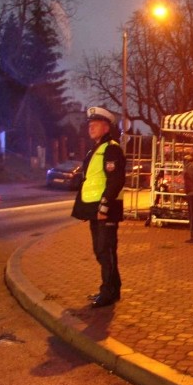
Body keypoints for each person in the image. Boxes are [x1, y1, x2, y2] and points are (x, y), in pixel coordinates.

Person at [71, 107, 126, 308]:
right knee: (102, 250)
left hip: (106, 210)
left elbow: (115, 180)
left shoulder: (111, 148)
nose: (90, 128)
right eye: (89, 125)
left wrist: (103, 207)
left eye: (95, 125)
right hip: (96, 210)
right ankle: (113, 289)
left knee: (105, 250)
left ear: (105, 127)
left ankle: (108, 293)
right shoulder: (95, 150)